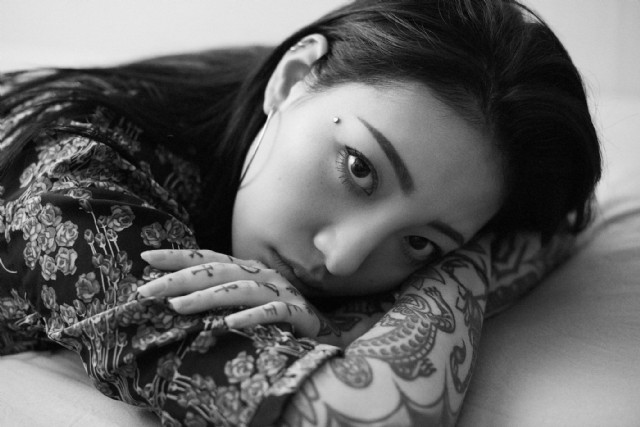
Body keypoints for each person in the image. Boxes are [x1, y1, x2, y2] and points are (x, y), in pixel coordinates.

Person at [0, 0, 601, 425]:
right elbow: (353, 416)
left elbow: (557, 232)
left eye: (420, 243)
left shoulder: (304, 100)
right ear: (291, 79)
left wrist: (454, 269)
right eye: (359, 169)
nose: (343, 259)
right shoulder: (77, 192)